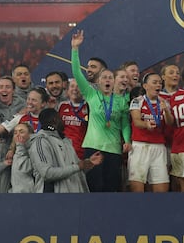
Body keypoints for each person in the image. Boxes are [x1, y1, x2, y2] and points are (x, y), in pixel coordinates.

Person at [71, 30, 131, 192]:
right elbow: (76, 72)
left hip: (114, 150)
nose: (107, 80)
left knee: (111, 190)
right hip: (93, 147)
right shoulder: (91, 94)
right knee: (94, 188)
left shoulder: (121, 101)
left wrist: (127, 140)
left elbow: (125, 123)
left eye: (110, 77)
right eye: (104, 77)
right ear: (98, 81)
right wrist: (75, 49)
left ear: (114, 81)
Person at [29, 109, 103, 193]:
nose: (63, 122)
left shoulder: (65, 141)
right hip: (52, 197)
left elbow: (75, 169)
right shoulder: (40, 142)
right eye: (60, 118)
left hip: (74, 195)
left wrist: (88, 162)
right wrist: (78, 167)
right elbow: (47, 173)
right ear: (55, 120)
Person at [128, 73, 174, 193]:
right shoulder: (137, 101)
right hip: (140, 147)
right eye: (154, 82)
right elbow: (136, 121)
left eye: (160, 83)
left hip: (159, 147)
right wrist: (146, 124)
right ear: (145, 86)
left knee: (162, 187)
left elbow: (170, 123)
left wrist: (166, 111)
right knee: (137, 188)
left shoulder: (164, 102)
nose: (158, 85)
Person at [58, 78, 89, 159]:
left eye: (78, 86)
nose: (75, 89)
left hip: (82, 153)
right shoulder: (62, 106)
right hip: (63, 153)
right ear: (67, 91)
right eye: (72, 86)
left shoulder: (89, 107)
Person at [10, 123, 39, 193]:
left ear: (30, 135)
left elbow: (25, 168)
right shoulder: (13, 151)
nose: (17, 135)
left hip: (29, 194)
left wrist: (20, 147)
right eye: (15, 133)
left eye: (21, 132)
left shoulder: (34, 150)